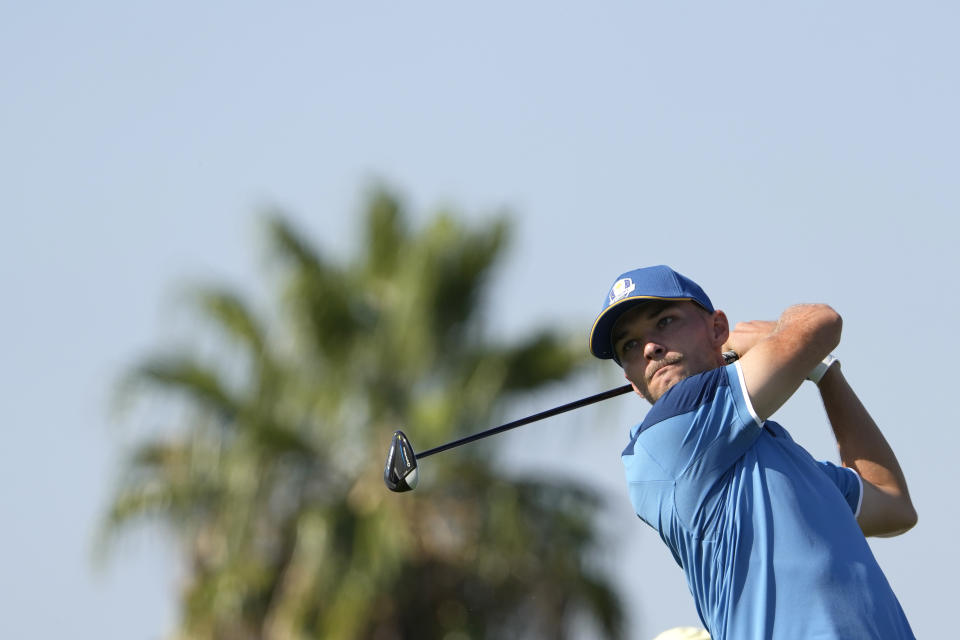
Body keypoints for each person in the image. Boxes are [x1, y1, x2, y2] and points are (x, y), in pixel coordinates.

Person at [588, 265, 917, 640]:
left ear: (718, 329)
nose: (649, 347)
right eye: (629, 345)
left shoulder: (783, 460)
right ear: (632, 383)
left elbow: (893, 504)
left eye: (664, 321)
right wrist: (782, 333)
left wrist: (825, 372)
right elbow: (821, 323)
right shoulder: (670, 432)